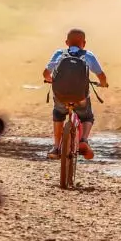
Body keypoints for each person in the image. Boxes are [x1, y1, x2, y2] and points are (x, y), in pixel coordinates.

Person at [43, 28, 108, 160]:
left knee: (58, 114)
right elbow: (101, 75)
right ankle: (83, 140)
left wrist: (50, 79)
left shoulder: (60, 53)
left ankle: (56, 147)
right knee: (87, 116)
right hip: (80, 97)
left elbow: (46, 73)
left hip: (61, 96)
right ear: (84, 43)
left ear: (67, 42)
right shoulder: (88, 55)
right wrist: (103, 83)